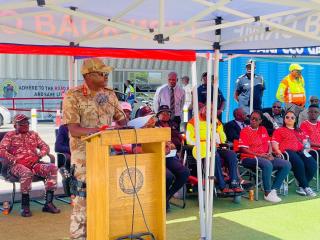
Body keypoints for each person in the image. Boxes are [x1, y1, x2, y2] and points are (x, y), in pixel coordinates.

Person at [62, 58, 126, 239]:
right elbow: (74, 129)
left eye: (106, 73)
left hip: (107, 154)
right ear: (88, 76)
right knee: (83, 200)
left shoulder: (110, 95)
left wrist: (133, 122)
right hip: (84, 158)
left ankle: (101, 233)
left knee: (106, 198)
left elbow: (122, 120)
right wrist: (99, 131)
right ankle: (79, 237)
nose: (106, 76)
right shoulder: (73, 95)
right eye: (101, 73)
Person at [0, 114, 60, 217]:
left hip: (34, 163)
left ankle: (48, 203)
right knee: (26, 172)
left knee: (52, 168)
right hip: (16, 166)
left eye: (27, 123)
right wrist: (15, 159)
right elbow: (1, 150)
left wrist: (39, 155)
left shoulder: (33, 135)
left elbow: (45, 147)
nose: (25, 125)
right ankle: (25, 206)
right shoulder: (10, 135)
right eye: (22, 123)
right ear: (15, 126)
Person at [186, 103, 243, 195]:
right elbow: (189, 140)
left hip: (217, 147)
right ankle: (222, 186)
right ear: (203, 110)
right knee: (214, 155)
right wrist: (205, 142)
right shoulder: (193, 122)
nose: (211, 112)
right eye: (209, 110)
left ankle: (234, 183)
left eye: (213, 111)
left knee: (231, 154)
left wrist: (218, 138)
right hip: (202, 149)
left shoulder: (217, 122)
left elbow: (223, 137)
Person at [239, 111, 291, 203]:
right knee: (267, 164)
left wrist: (270, 154)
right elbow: (243, 149)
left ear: (260, 121)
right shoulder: (245, 130)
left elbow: (269, 144)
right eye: (252, 118)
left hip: (264, 157)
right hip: (249, 158)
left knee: (286, 164)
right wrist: (261, 156)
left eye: (256, 119)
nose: (253, 121)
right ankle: (267, 193)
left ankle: (273, 190)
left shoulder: (263, 129)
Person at [272, 110, 317, 197]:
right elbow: (274, 143)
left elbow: (306, 143)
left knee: (313, 164)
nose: (289, 119)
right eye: (287, 117)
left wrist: (307, 149)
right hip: (287, 152)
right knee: (299, 163)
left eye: (292, 117)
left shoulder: (299, 131)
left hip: (300, 151)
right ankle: (306, 187)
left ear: (295, 120)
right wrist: (277, 151)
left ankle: (301, 186)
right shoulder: (279, 130)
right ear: (284, 119)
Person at [155, 105, 190, 211]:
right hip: (158, 155)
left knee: (185, 172)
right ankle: (163, 200)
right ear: (158, 115)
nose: (166, 115)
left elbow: (180, 140)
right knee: (168, 176)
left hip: (170, 155)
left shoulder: (174, 125)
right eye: (163, 113)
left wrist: (173, 144)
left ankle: (168, 196)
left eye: (168, 113)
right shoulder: (154, 125)